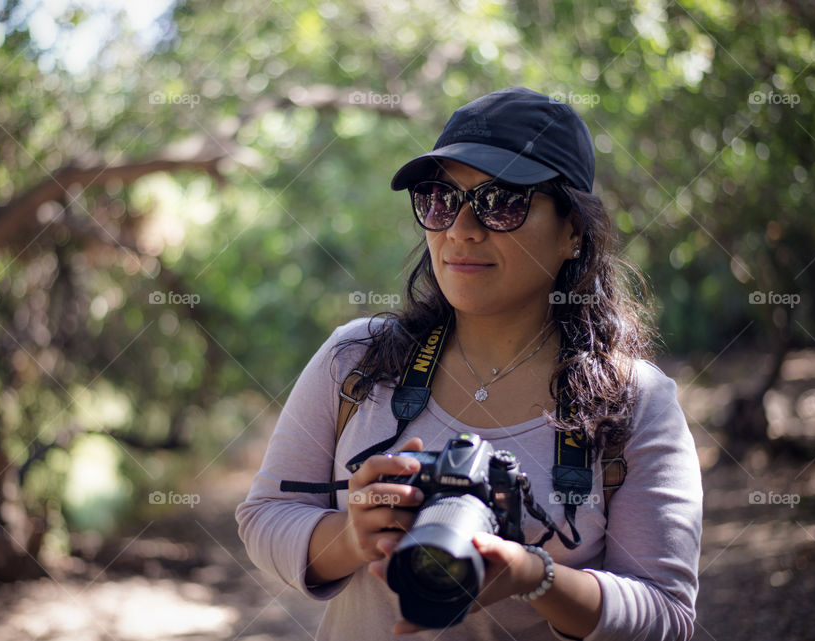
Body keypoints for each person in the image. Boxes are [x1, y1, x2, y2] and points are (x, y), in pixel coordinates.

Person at [236, 87, 702, 640]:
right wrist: (353, 537)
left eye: (502, 201)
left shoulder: (635, 402)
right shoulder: (356, 361)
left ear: (574, 231)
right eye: (439, 198)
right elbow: (264, 515)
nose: (459, 228)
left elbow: (667, 616)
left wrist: (536, 577)